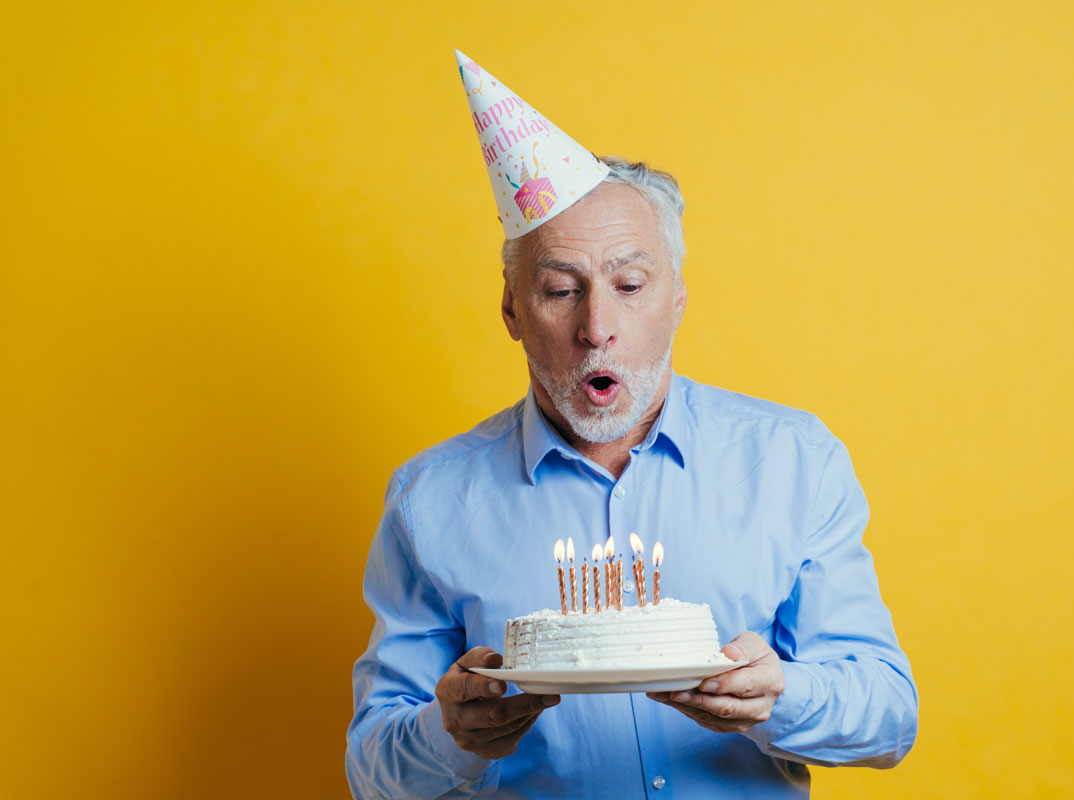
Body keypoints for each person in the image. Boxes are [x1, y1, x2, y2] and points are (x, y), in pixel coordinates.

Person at [345, 53, 916, 800]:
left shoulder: (792, 461)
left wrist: (782, 696)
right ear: (513, 312)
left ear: (676, 298)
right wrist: (446, 735)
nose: (597, 328)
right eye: (559, 289)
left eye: (630, 284)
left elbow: (889, 721)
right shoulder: (430, 499)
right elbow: (371, 772)